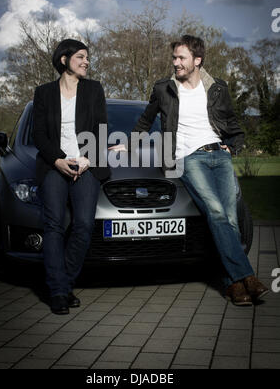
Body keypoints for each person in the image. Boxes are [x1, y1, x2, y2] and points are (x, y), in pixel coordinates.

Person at [110, 35, 269, 306]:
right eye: (174, 58)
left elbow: (232, 124)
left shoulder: (217, 88)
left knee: (230, 219)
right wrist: (128, 143)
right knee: (216, 212)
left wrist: (234, 146)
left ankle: (234, 285)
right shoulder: (165, 89)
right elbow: (146, 121)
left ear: (197, 60)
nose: (176, 63)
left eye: (181, 58)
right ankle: (248, 276)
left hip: (218, 155)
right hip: (187, 158)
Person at [33, 39, 110, 315]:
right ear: (64, 60)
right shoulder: (43, 93)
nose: (86, 61)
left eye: (88, 57)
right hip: (54, 165)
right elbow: (39, 134)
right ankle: (58, 291)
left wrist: (87, 158)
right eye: (80, 56)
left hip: (87, 164)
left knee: (83, 225)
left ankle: (63, 283)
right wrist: (57, 160)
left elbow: (101, 127)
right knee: (53, 226)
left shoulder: (93, 89)